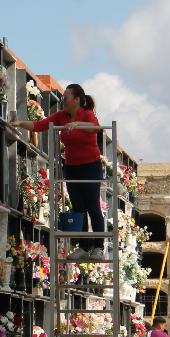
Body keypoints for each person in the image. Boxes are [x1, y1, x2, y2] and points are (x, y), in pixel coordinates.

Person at [11, 83, 104, 259]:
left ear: (77, 100)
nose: (63, 101)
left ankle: (98, 247)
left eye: (66, 98)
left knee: (93, 206)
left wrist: (77, 124)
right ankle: (83, 246)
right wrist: (20, 123)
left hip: (90, 166)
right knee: (78, 208)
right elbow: (40, 125)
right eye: (62, 97)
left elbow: (96, 128)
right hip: (72, 167)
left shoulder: (86, 114)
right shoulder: (61, 116)